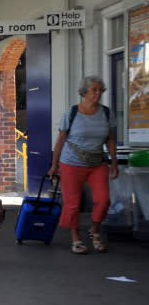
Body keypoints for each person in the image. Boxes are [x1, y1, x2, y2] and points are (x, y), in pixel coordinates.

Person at [48, 75, 118, 254]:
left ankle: (94, 230)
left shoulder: (106, 113)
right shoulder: (72, 113)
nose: (98, 93)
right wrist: (54, 165)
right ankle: (76, 238)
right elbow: (60, 140)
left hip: (97, 162)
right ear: (84, 92)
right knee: (73, 203)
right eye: (94, 90)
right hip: (71, 162)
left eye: (100, 90)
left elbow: (110, 140)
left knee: (103, 200)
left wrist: (114, 162)